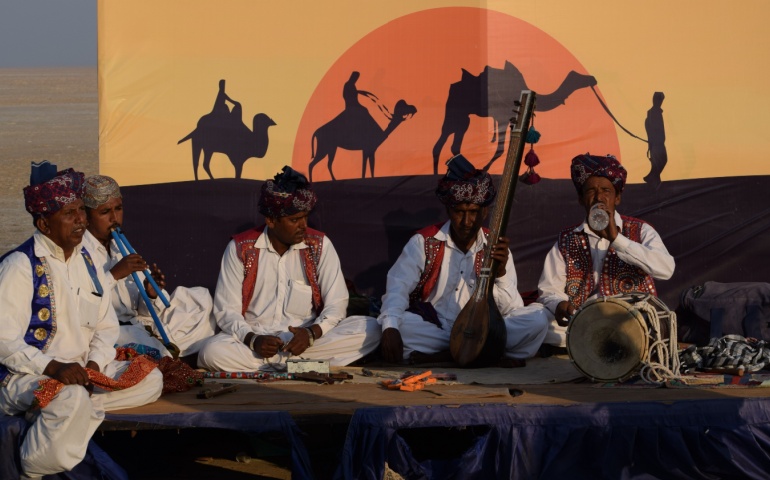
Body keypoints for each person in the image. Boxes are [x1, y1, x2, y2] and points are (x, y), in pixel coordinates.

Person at [0, 163, 162, 477]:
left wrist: (96, 366)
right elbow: (3, 340)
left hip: (82, 373)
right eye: (69, 214)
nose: (80, 221)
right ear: (44, 224)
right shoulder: (19, 265)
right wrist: (55, 369)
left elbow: (104, 325)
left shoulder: (85, 260)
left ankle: (64, 417)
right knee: (69, 395)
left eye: (80, 211)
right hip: (26, 376)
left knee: (151, 378)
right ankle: (32, 470)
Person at [197, 166, 381, 371]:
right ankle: (301, 366)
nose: (303, 225)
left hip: (304, 341)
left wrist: (311, 334)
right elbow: (226, 310)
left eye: (305, 217)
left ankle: (280, 365)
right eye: (294, 220)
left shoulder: (319, 245)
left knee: (370, 328)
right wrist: (253, 340)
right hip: (256, 341)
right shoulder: (241, 248)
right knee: (211, 352)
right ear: (271, 221)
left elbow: (336, 305)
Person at [378, 154, 549, 366]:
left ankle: (448, 356)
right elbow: (397, 289)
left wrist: (501, 274)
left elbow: (511, 309)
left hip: (482, 327)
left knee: (538, 319)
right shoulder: (423, 242)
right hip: (437, 328)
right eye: (460, 212)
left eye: (474, 212)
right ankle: (482, 355)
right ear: (449, 210)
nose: (467, 221)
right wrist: (391, 327)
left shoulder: (494, 245)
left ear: (485, 211)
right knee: (395, 325)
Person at [537, 153, 676, 350]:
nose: (599, 197)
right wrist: (559, 304)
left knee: (645, 327)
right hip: (582, 320)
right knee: (535, 319)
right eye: (591, 191)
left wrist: (617, 240)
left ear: (617, 198)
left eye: (606, 191)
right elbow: (549, 290)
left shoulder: (641, 230)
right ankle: (588, 342)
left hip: (629, 319)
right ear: (580, 199)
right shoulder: (567, 239)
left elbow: (666, 269)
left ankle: (591, 345)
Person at [81, 175, 216, 360]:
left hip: (140, 323)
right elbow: (82, 304)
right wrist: (115, 275)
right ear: (86, 218)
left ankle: (164, 351)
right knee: (150, 348)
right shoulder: (80, 252)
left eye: (118, 209)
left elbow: (144, 310)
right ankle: (163, 354)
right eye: (105, 212)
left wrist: (151, 294)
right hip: (111, 330)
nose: (114, 218)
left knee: (200, 300)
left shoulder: (120, 246)